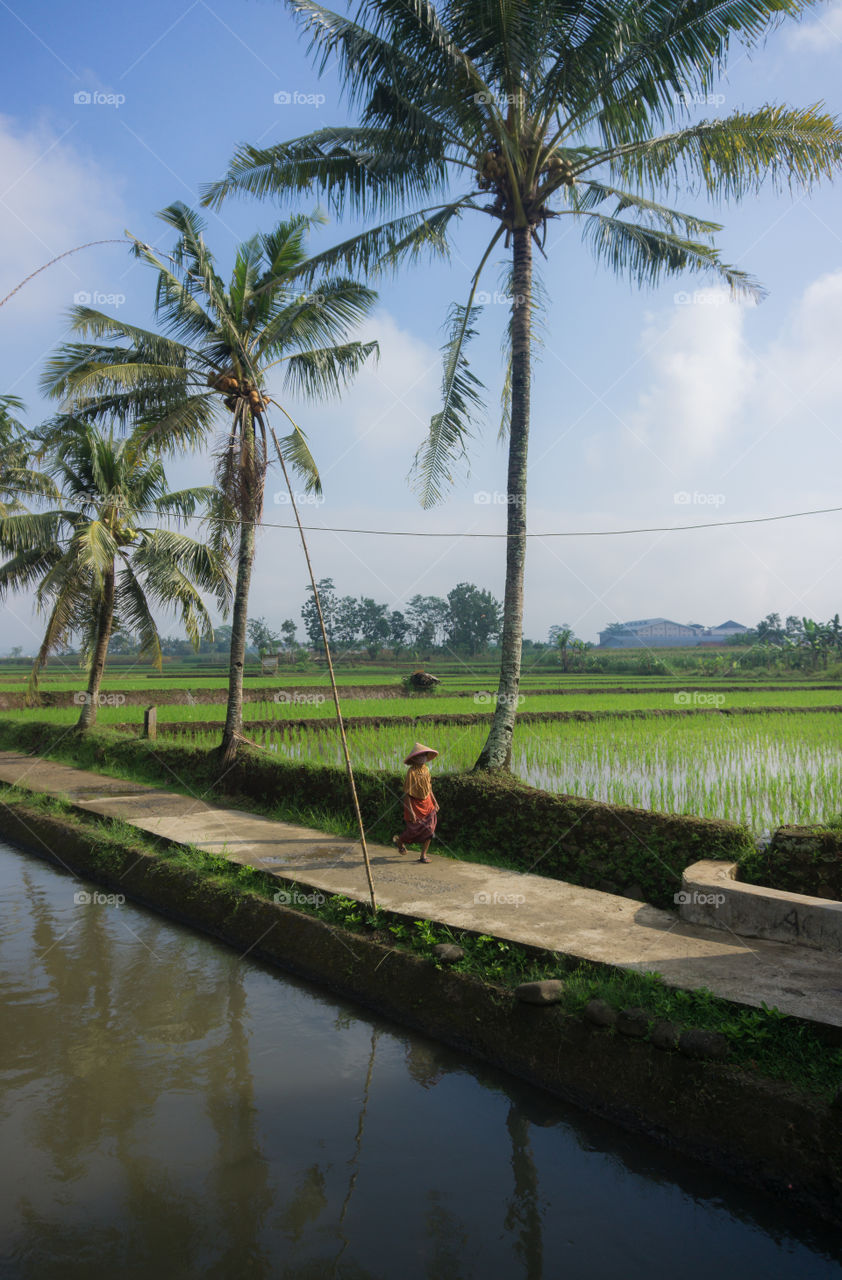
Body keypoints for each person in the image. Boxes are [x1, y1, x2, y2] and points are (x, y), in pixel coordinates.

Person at [393, 742, 440, 864]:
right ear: (414, 758)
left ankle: (423, 855)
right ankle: (400, 841)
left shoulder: (426, 770)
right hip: (415, 804)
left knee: (430, 830)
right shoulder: (411, 773)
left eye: (424, 755)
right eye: (420, 756)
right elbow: (407, 794)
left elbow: (429, 788)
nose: (423, 758)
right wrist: (411, 812)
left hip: (428, 804)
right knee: (413, 831)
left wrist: (435, 802)